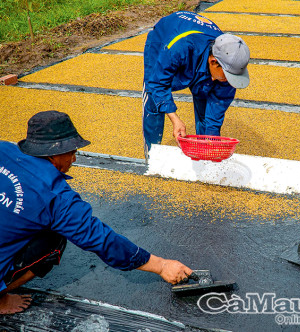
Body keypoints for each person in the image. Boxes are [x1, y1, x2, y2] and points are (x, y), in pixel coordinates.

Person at [0, 111, 193, 315]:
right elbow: (103, 240)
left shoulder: (4, 148)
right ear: (53, 153)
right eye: (71, 151)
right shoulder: (56, 197)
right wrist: (162, 266)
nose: (74, 158)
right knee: (55, 238)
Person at [143, 10, 250, 157]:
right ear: (213, 62)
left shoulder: (229, 58)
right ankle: (152, 156)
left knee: (204, 93)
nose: (229, 81)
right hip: (165, 39)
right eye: (227, 76)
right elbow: (158, 83)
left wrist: (212, 145)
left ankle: (203, 154)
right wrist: (175, 119)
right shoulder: (179, 48)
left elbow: (216, 108)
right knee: (154, 97)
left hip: (198, 56)